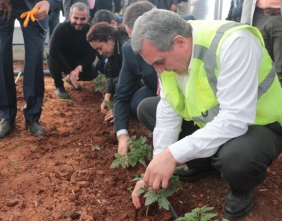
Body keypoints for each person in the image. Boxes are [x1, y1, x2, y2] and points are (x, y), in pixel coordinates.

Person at [130, 9, 282, 219]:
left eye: (159, 62)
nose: (158, 70)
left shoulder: (235, 43)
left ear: (180, 42)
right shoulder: (171, 58)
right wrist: (157, 164)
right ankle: (203, 165)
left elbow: (236, 119)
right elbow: (168, 112)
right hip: (214, 120)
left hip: (260, 124)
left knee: (236, 159)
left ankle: (241, 188)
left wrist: (173, 154)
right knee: (148, 109)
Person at [0, 0, 58, 137]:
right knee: (2, 55)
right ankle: (7, 115)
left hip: (35, 4)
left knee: (34, 57)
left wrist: (49, 2)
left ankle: (32, 117)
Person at [112, 1, 158, 155]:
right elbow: (121, 94)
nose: (134, 45)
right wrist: (123, 136)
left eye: (137, 39)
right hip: (155, 91)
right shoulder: (130, 49)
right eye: (131, 38)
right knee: (138, 103)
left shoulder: (179, 41)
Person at [47, 2, 98, 99]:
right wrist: (69, 71)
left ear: (88, 17)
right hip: (62, 60)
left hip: (78, 62)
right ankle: (59, 86)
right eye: (76, 18)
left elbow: (91, 54)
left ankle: (71, 79)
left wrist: (80, 67)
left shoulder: (91, 30)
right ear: (70, 16)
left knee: (93, 72)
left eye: (82, 19)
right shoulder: (61, 28)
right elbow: (53, 50)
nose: (79, 22)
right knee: (51, 56)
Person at [87, 22, 129, 117]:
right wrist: (107, 98)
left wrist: (119, 108)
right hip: (125, 79)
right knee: (106, 66)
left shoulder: (125, 47)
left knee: (134, 106)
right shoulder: (113, 46)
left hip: (140, 83)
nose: (100, 53)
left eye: (100, 48)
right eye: (97, 50)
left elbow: (130, 79)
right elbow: (110, 71)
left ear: (110, 39)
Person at [241, 0, 282, 85]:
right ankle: (266, 96)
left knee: (280, 67)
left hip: (279, 17)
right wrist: (245, 23)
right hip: (259, 17)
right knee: (262, 65)